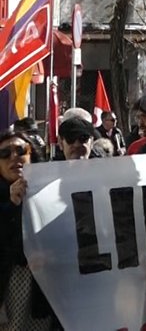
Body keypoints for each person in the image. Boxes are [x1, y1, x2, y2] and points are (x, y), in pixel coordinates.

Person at [1, 129, 55, 329]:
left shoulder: (50, 191)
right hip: (9, 286)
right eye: (5, 154)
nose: (14, 157)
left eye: (20, 150)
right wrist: (11, 205)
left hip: (43, 289)